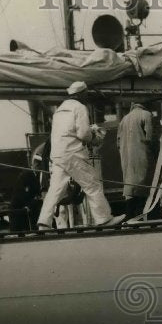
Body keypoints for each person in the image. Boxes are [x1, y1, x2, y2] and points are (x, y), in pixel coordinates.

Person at [36, 81, 124, 229]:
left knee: (56, 189)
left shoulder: (60, 109)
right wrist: (95, 137)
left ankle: (44, 223)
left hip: (57, 154)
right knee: (92, 184)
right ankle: (104, 219)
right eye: (86, 94)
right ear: (82, 94)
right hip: (73, 154)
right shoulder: (80, 107)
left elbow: (66, 131)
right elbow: (83, 134)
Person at [117, 100, 155, 218]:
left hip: (126, 156)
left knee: (130, 184)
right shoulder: (146, 114)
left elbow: (118, 142)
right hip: (141, 153)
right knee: (143, 183)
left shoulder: (124, 119)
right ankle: (140, 214)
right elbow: (150, 137)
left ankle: (130, 215)